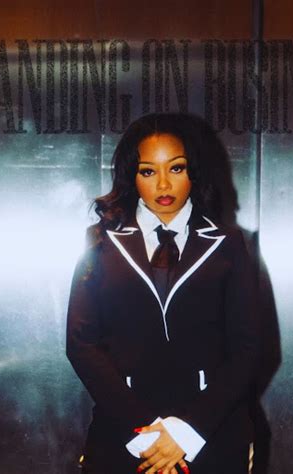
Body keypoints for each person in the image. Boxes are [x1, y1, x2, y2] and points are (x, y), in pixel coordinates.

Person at [66, 113, 262, 474]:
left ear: (193, 171)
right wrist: (146, 433)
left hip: (212, 438)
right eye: (148, 171)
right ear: (132, 175)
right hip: (123, 438)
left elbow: (248, 348)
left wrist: (187, 434)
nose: (163, 184)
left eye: (176, 168)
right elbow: (81, 345)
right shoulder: (101, 242)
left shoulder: (229, 244)